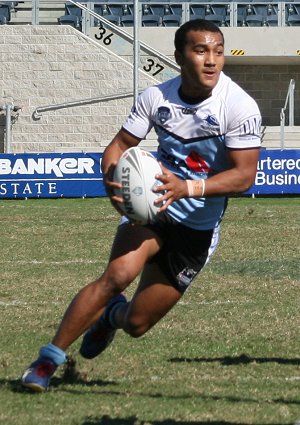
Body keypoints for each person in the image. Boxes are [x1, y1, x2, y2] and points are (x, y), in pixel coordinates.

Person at [21, 19, 261, 392]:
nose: (212, 60)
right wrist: (112, 182)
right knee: (115, 277)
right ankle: (46, 361)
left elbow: (244, 176)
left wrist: (187, 188)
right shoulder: (156, 98)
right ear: (180, 57)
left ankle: (110, 317)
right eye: (200, 51)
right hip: (152, 209)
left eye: (218, 51)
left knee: (137, 324)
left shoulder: (239, 106)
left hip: (197, 227)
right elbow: (118, 146)